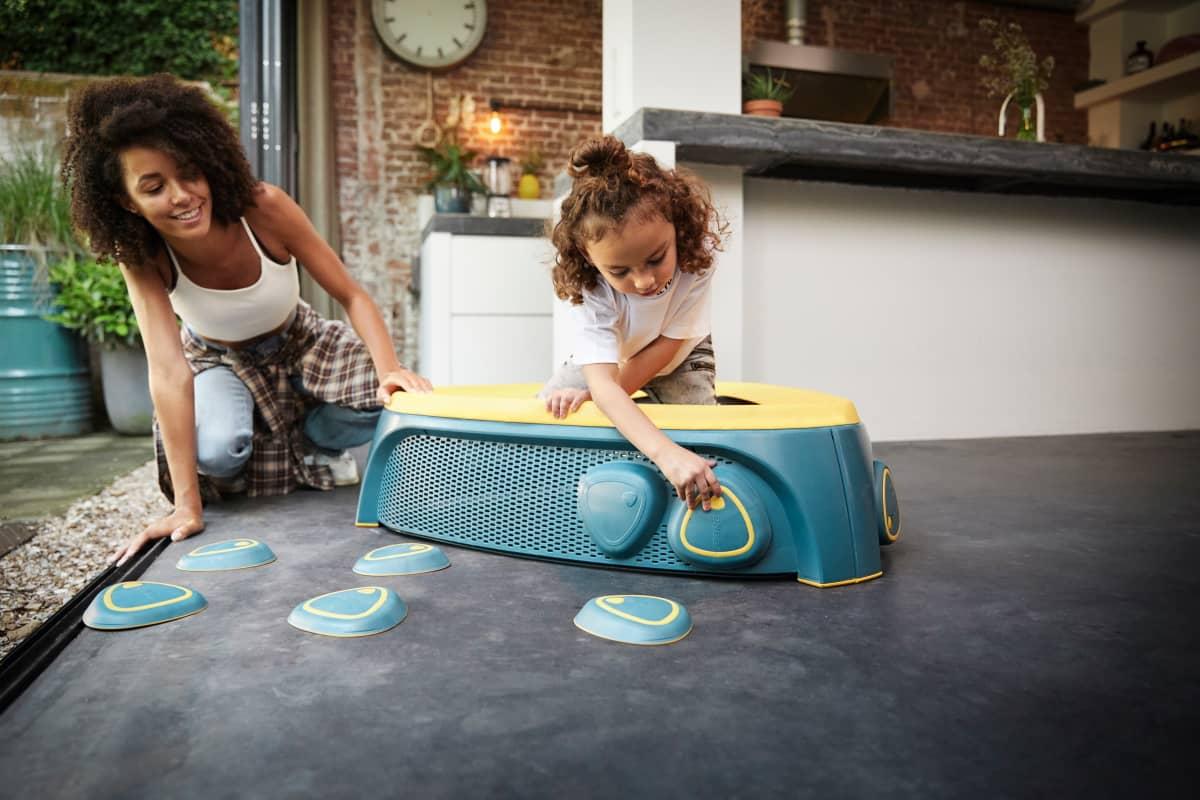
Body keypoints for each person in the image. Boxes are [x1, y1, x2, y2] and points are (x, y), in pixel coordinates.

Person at [60, 74, 432, 566]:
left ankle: (309, 435)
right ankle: (265, 435)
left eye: (189, 173)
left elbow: (351, 294)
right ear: (128, 201)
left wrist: (391, 372)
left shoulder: (264, 207)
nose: (181, 195)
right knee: (215, 451)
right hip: (217, 361)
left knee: (397, 402)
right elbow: (169, 372)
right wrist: (186, 506)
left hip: (300, 342)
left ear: (208, 162)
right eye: (154, 187)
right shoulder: (143, 254)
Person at [540, 135, 727, 511]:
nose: (644, 281)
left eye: (657, 259)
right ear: (588, 258)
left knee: (707, 438)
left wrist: (604, 397)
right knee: (551, 409)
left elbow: (667, 347)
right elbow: (603, 383)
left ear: (678, 226)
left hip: (679, 356)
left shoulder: (696, 258)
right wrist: (598, 394)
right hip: (609, 358)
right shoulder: (590, 286)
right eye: (620, 271)